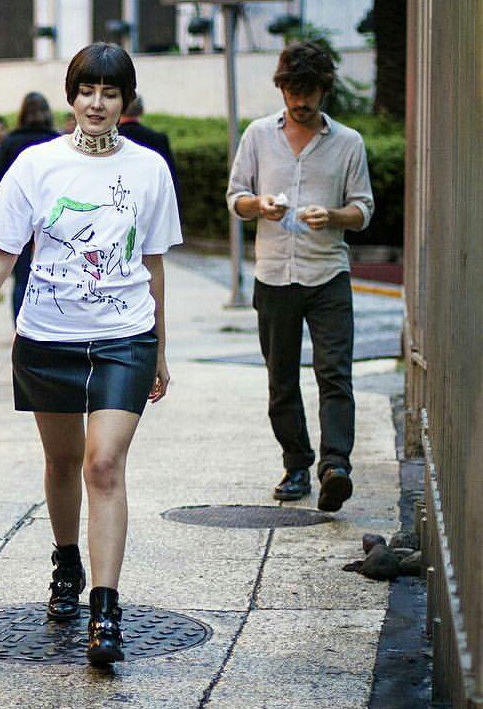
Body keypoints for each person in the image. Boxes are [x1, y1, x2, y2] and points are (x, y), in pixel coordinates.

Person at [0, 42, 181, 668]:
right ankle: (66, 561)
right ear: (72, 96)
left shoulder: (148, 169)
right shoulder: (37, 166)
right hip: (47, 340)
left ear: (125, 102)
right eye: (88, 90)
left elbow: (154, 263)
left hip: (125, 340)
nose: (97, 103)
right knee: (62, 464)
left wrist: (160, 350)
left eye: (110, 93)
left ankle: (105, 608)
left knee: (103, 466)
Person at [226, 41, 373, 512]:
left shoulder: (347, 142)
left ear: (323, 90)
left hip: (328, 273)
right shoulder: (257, 136)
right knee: (281, 378)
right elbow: (236, 197)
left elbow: (363, 210)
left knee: (334, 373)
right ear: (282, 88)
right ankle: (296, 464)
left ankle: (335, 467)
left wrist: (332, 215)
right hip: (273, 275)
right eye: (292, 90)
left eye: (309, 91)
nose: (300, 100)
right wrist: (259, 205)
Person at [0, 92, 59, 321]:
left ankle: (19, 327)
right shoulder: (56, 141)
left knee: (21, 278)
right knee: (53, 274)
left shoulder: (11, 142)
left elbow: (1, 181)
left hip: (19, 216)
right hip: (51, 216)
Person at [118, 95, 179, 204]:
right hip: (151, 200)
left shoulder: (113, 139)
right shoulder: (158, 139)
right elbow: (170, 180)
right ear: (141, 111)